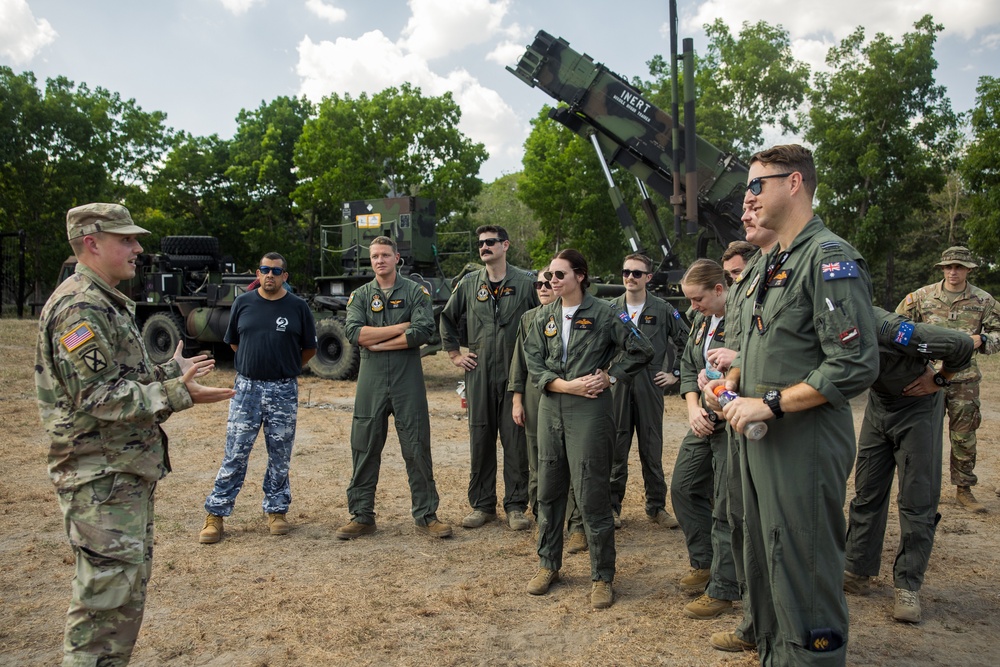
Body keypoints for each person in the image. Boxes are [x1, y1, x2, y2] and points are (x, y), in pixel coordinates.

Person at [36, 203, 236, 666]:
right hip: (100, 480)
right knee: (102, 611)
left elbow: (122, 376)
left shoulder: (104, 300)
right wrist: (177, 392)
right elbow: (100, 396)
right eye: (126, 239)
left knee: (120, 602)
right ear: (92, 242)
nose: (138, 248)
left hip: (118, 476)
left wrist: (171, 371)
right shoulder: (79, 309)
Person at [708, 144, 878, 665]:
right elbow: (770, 344)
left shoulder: (829, 258)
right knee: (764, 558)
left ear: (795, 183)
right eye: (745, 191)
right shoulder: (773, 262)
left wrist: (771, 404)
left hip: (802, 443)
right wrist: (735, 381)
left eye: (757, 186)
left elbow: (853, 362)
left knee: (803, 567)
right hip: (762, 439)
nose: (748, 200)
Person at [522, 249, 653, 610]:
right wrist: (567, 386)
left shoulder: (606, 313)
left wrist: (610, 377)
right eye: (550, 276)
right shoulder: (538, 317)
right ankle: (548, 564)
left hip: (590, 413)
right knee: (549, 490)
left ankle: (602, 576)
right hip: (551, 408)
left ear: (580, 275)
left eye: (560, 275)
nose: (552, 281)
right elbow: (535, 365)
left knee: (592, 493)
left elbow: (641, 349)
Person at [844, 307, 974, 623]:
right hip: (879, 406)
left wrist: (941, 378)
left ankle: (907, 585)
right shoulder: (828, 321)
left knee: (917, 499)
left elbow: (961, 343)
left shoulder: (890, 329)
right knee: (867, 491)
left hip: (917, 410)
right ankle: (857, 570)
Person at [336, 236, 452, 539]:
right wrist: (400, 328)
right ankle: (362, 516)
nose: (379, 260)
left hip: (406, 379)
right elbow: (353, 333)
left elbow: (424, 330)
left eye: (385, 255)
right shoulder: (360, 295)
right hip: (371, 382)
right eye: (374, 256)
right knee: (364, 445)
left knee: (416, 446)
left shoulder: (415, 292)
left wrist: (381, 343)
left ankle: (427, 516)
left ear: (396, 258)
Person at [199, 252, 317, 543]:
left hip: (283, 390)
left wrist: (283, 367)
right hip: (247, 390)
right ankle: (216, 515)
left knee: (280, 456)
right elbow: (236, 343)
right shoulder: (243, 303)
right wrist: (256, 367)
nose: (270, 275)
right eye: (265, 270)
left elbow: (308, 349)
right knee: (235, 453)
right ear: (258, 272)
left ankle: (276, 511)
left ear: (284, 277)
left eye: (276, 271)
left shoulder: (298, 307)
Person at [709, 211, 777, 654]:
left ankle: (770, 625)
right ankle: (753, 620)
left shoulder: (776, 287)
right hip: (740, 421)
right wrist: (728, 379)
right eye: (731, 276)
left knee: (770, 529)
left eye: (739, 274)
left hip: (776, 422)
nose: (736, 282)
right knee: (740, 520)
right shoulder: (740, 298)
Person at [441, 226, 538, 531]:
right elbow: (447, 317)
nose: (484, 247)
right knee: (480, 439)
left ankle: (516, 506)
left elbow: (542, 320)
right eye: (481, 243)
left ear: (505, 245)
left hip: (515, 374)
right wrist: (455, 354)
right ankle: (482, 505)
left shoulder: (525, 283)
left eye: (490, 242)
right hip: (479, 372)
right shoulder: (470, 284)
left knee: (515, 440)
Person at [896, 246, 1000, 513]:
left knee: (964, 436)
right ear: (942, 269)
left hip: (964, 381)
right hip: (926, 378)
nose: (953, 272)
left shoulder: (983, 301)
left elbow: (999, 332)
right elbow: (898, 327)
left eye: (959, 267)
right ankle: (918, 489)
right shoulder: (921, 297)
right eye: (948, 267)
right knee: (921, 436)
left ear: (968, 270)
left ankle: (964, 490)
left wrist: (984, 339)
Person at [671, 259, 739, 620]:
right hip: (704, 418)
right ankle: (705, 562)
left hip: (733, 420)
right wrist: (693, 409)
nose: (691, 307)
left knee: (727, 504)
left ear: (718, 289)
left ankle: (724, 589)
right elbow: (686, 366)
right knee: (683, 487)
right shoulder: (700, 319)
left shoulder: (742, 317)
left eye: (697, 299)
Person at [608, 253, 688, 529]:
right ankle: (612, 507)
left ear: (648, 278)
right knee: (616, 447)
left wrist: (675, 373)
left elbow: (686, 340)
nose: (630, 277)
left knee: (651, 447)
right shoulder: (610, 309)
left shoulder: (663, 309)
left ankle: (656, 507)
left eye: (637, 273)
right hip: (618, 384)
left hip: (650, 384)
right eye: (626, 271)